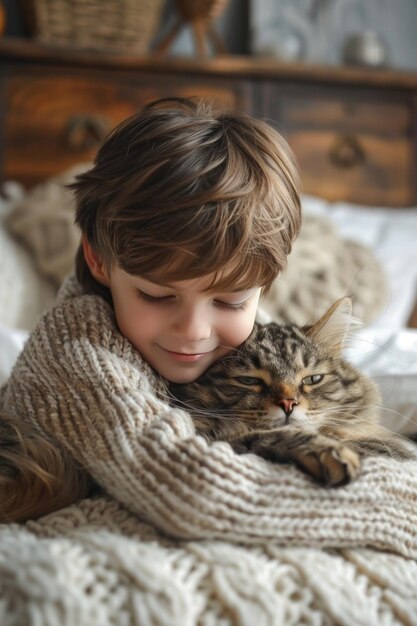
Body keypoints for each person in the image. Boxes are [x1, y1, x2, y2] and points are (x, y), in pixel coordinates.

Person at [0, 97, 301, 526]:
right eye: (158, 296)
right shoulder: (76, 357)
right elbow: (192, 490)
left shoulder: (255, 343)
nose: (194, 331)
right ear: (99, 260)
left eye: (230, 301)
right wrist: (390, 501)